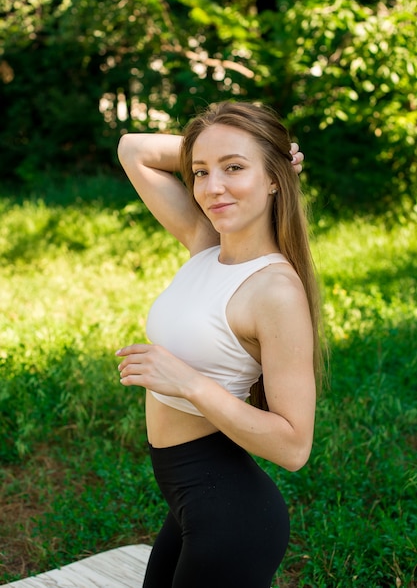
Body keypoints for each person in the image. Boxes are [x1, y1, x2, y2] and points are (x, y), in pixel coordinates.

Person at [116, 101, 324, 588]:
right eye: (200, 172)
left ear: (275, 178)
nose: (213, 188)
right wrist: (235, 149)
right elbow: (133, 149)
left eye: (235, 168)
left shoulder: (275, 291)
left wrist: (189, 383)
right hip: (192, 500)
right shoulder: (205, 243)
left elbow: (294, 446)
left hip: (233, 520)